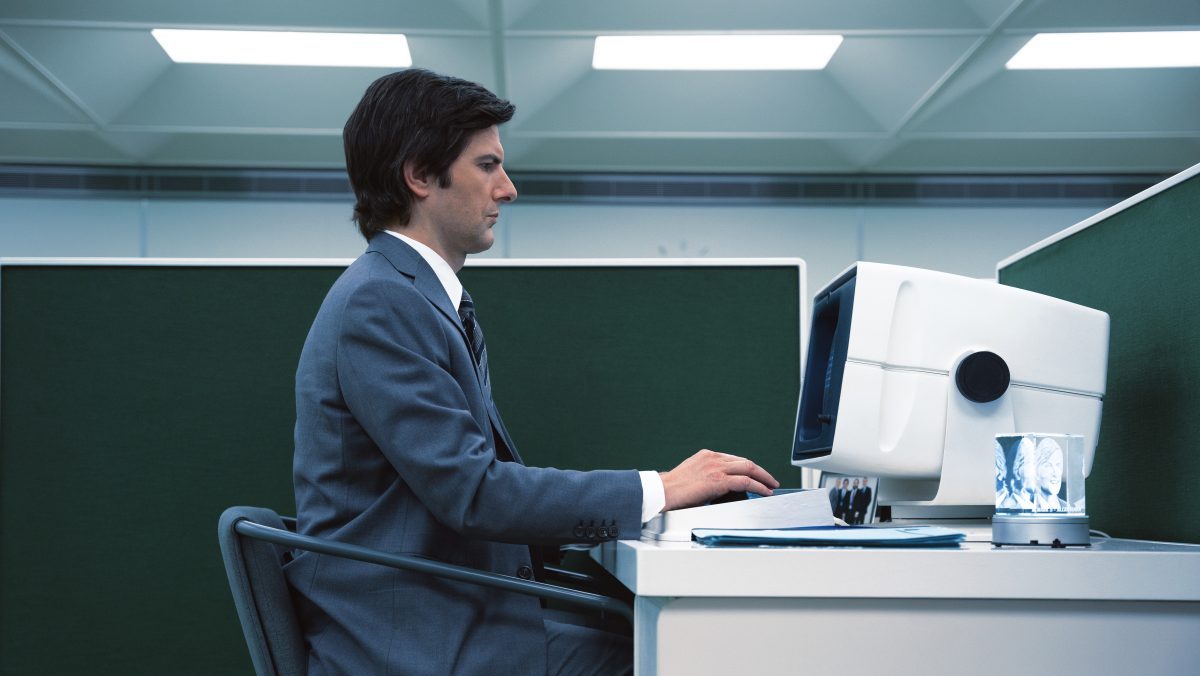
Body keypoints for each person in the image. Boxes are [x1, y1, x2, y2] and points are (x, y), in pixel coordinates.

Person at [284, 68, 779, 676]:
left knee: (665, 627)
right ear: (418, 175)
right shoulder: (381, 302)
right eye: (487, 166)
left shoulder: (416, 297)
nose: (509, 189)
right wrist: (660, 490)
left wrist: (653, 510)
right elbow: (474, 492)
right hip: (413, 640)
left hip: (449, 610)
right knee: (686, 649)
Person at [1033, 437, 1067, 511]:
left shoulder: (1069, 508)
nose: (1055, 473)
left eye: (1058, 465)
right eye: (1048, 465)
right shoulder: (1027, 507)